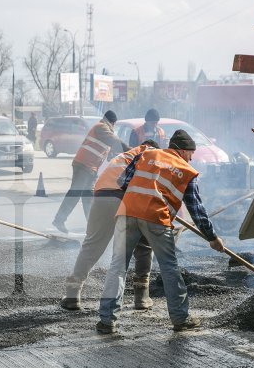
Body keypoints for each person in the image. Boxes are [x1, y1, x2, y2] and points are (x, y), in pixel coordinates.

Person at [96, 129, 225, 334]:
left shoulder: (147, 154)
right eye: (191, 154)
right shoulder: (186, 170)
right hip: (156, 217)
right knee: (169, 267)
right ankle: (180, 319)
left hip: (127, 212)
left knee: (118, 266)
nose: (191, 159)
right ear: (183, 151)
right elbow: (197, 210)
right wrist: (212, 237)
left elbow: (123, 182)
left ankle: (106, 320)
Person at [60, 139, 160, 311]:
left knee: (92, 244)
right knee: (144, 244)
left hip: (102, 197)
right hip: (127, 198)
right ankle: (141, 297)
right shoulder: (153, 157)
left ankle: (72, 295)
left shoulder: (125, 156)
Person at [52, 110, 130, 233]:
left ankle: (91, 225)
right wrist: (130, 150)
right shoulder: (101, 127)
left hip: (90, 168)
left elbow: (106, 148)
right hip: (84, 165)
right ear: (113, 122)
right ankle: (59, 220)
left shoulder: (103, 129)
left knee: (88, 197)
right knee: (76, 192)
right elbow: (114, 141)